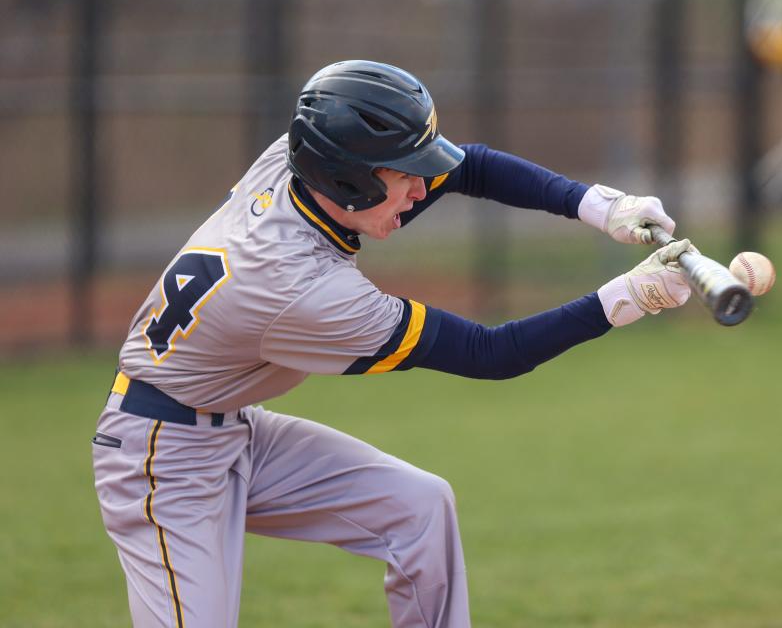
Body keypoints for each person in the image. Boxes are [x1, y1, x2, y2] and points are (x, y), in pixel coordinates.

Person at [91, 59, 694, 628]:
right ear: (347, 179)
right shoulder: (300, 290)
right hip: (160, 463)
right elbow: (492, 353)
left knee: (420, 508)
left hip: (234, 428)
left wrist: (601, 206)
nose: (419, 189)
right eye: (405, 174)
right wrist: (627, 299)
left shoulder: (298, 164)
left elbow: (471, 167)